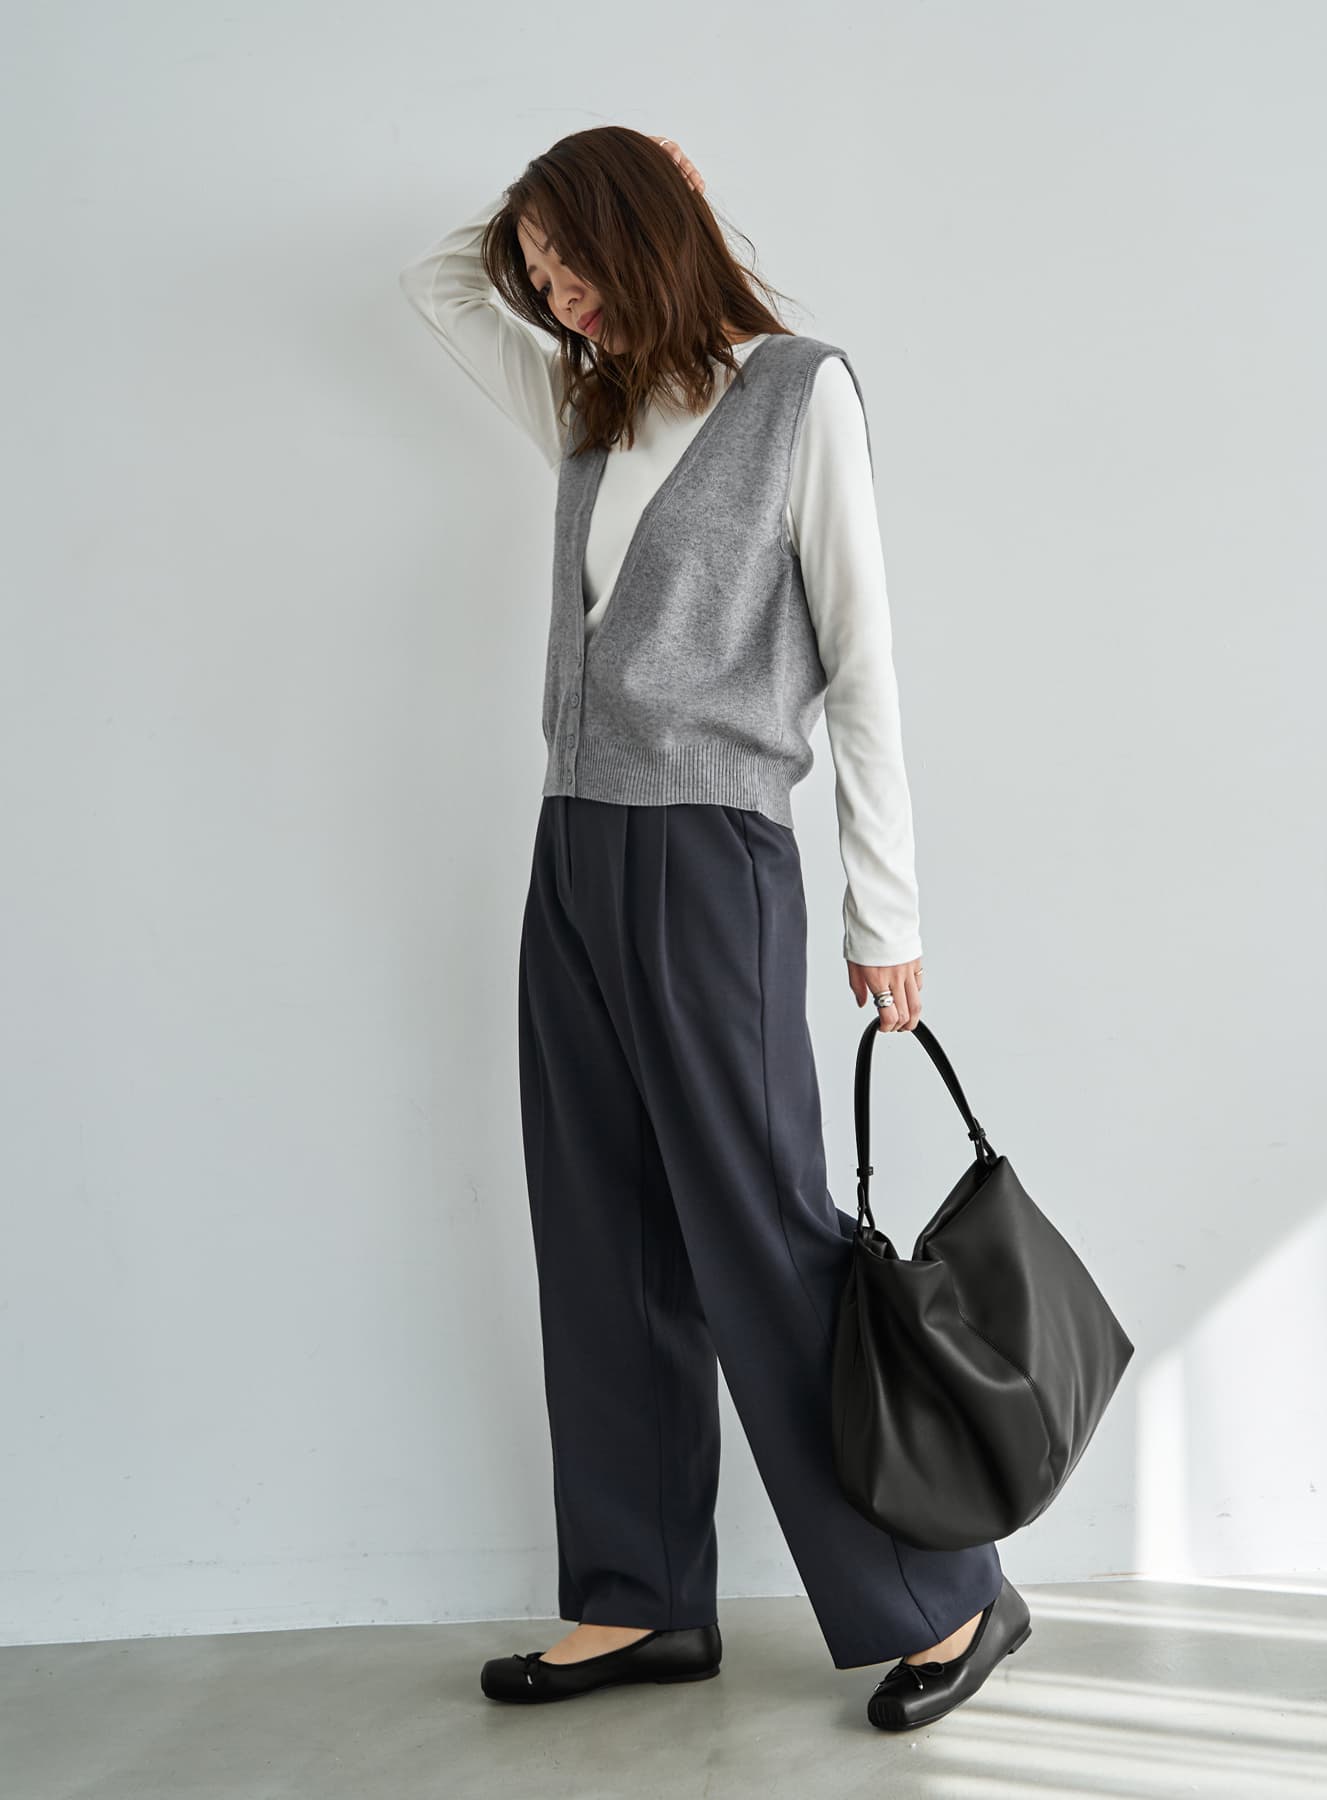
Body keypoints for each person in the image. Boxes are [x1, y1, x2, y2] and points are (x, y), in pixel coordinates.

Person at [396, 124, 1031, 1732]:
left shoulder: (799, 394)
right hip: (572, 848)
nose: (559, 299)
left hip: (711, 862)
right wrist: (531, 229)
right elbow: (440, 288)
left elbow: (865, 665)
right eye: (543, 277)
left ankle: (949, 1594)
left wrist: (886, 907)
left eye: (576, 261)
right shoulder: (590, 403)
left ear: (650, 226)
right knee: (598, 1232)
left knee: (763, 1237)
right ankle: (640, 1599)